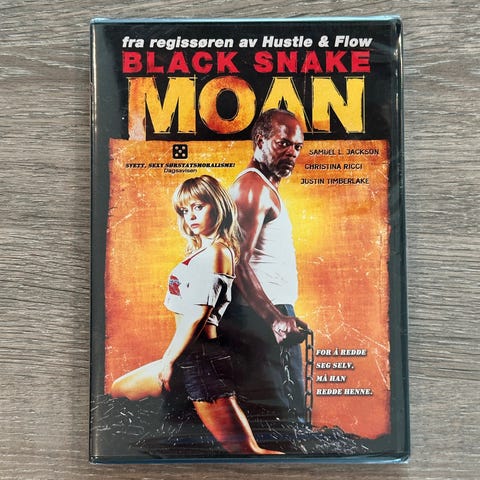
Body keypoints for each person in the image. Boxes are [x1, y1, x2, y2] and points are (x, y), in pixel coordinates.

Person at [111, 175, 282, 455]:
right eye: (184, 210)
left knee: (246, 451)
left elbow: (197, 316)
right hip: (190, 357)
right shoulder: (205, 252)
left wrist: (168, 361)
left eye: (198, 207)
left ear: (218, 206)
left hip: (202, 362)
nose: (190, 216)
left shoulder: (217, 252)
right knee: (119, 392)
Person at [220, 109, 308, 424]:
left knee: (289, 415)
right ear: (260, 140)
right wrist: (274, 319)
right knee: (281, 419)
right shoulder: (252, 188)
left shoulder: (265, 187)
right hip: (261, 316)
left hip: (271, 312)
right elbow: (235, 260)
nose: (292, 153)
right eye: (283, 143)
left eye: (297, 147)